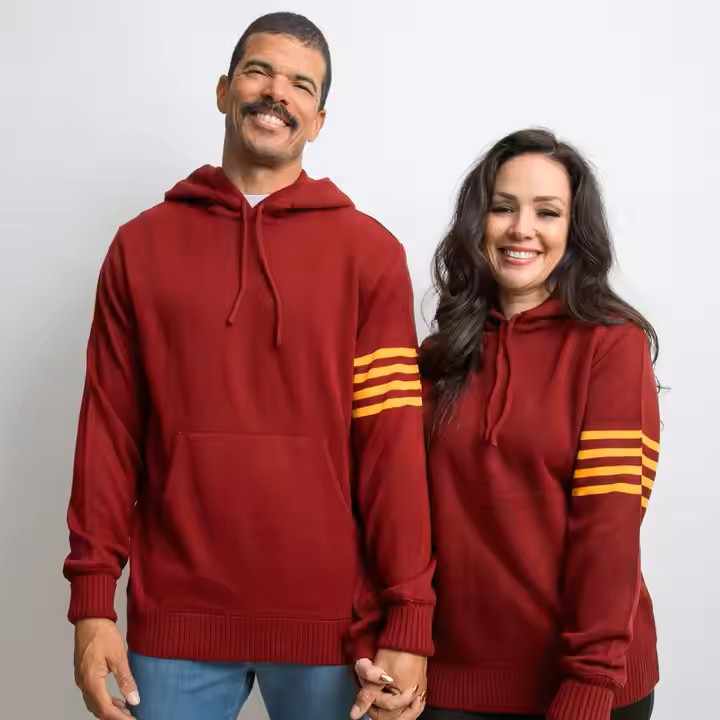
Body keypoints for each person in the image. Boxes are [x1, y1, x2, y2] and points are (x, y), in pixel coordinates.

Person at [63, 12, 434, 720]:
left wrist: (410, 618)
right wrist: (92, 603)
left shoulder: (369, 255)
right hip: (176, 616)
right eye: (259, 72)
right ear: (223, 90)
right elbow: (108, 434)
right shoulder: (141, 247)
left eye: (301, 85)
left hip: (331, 622)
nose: (277, 93)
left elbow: (392, 448)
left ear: (318, 120)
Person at [424, 128, 660, 720]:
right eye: (503, 208)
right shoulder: (439, 356)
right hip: (449, 678)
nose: (521, 229)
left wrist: (589, 684)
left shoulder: (612, 346)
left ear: (574, 232)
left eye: (547, 212)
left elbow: (609, 527)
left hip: (582, 681)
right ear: (477, 222)